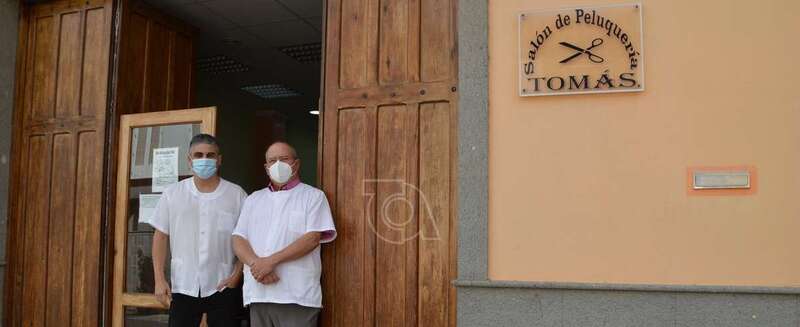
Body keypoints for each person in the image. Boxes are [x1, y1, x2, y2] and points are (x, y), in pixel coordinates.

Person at [142, 133, 248, 327]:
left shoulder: (237, 195)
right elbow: (161, 236)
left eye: (210, 155)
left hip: (223, 285)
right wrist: (159, 279)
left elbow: (246, 238)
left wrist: (236, 275)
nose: (204, 160)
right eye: (198, 155)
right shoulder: (172, 194)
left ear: (219, 159)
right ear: (189, 160)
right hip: (183, 285)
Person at [232, 141, 337, 327]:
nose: (278, 164)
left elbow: (312, 238)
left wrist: (270, 262)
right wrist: (258, 265)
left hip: (296, 295)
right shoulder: (254, 199)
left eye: (284, 159)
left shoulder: (313, 196)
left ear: (296, 164)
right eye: (272, 160)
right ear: (266, 167)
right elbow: (238, 238)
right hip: (259, 293)